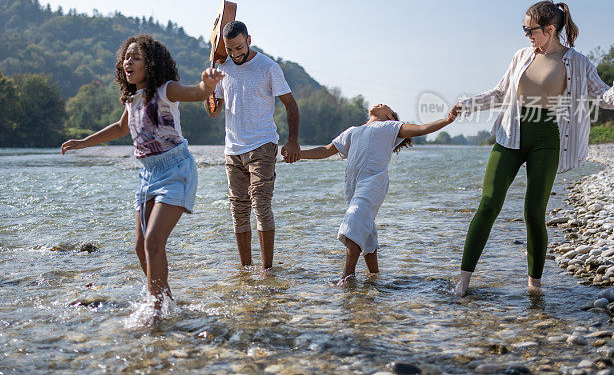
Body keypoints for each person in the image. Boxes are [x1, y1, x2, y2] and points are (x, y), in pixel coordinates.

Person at [454, 0, 614, 296]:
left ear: (550, 29)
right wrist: (468, 105)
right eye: (524, 28)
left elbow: (605, 97)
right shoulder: (521, 56)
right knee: (488, 203)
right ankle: (463, 280)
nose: (526, 34)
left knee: (534, 212)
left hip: (548, 140)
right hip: (510, 134)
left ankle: (534, 286)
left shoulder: (577, 62)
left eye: (530, 29)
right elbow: (500, 92)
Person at [61, 34, 223, 311]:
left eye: (136, 57)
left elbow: (196, 93)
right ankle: (165, 300)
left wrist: (207, 85)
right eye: (126, 57)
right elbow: (121, 128)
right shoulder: (132, 99)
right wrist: (83, 142)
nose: (129, 62)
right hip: (148, 175)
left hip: (175, 170)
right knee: (140, 246)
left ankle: (156, 308)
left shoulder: (166, 90)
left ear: (151, 64)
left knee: (153, 240)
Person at [298, 103, 459, 284]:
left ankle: (347, 277)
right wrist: (299, 153)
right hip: (353, 185)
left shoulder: (390, 127)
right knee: (366, 230)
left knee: (354, 219)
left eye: (386, 105)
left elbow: (421, 129)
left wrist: (447, 120)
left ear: (390, 116)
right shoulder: (353, 131)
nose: (381, 103)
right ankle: (374, 276)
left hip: (374, 182)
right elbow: (326, 150)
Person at [205, 20, 300, 269]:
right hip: (232, 149)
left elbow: (291, 104)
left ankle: (267, 270)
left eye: (239, 47)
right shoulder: (223, 68)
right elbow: (213, 112)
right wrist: (209, 87)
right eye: (230, 49)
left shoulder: (268, 67)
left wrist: (293, 140)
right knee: (238, 210)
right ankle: (246, 270)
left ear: (249, 39)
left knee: (260, 203)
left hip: (263, 145)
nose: (235, 54)